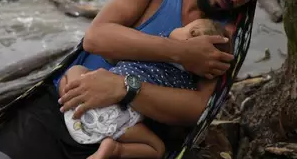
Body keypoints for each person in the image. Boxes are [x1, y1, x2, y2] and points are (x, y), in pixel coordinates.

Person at [0, 0, 284, 159]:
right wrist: (180, 52)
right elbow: (97, 37)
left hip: (122, 137)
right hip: (59, 109)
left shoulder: (222, 35)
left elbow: (196, 110)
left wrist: (125, 87)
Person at [59, 18, 230, 159]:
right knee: (156, 148)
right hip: (123, 122)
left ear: (192, 33)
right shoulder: (186, 84)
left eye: (184, 27)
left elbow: (111, 57)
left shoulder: (153, 46)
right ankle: (114, 150)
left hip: (89, 97)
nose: (178, 27)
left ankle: (69, 99)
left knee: (75, 71)